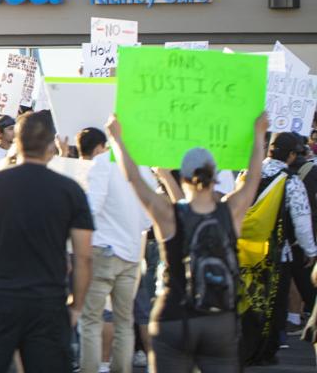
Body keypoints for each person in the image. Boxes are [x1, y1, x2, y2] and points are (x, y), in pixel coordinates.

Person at [108, 113, 267, 372]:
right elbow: (253, 177)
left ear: (181, 177)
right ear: (215, 176)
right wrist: (259, 135)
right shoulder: (231, 211)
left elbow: (134, 179)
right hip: (220, 319)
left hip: (173, 317)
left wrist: (117, 139)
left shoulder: (168, 215)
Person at [0, 111, 93, 372]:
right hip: (47, 303)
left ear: (17, 141)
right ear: (51, 145)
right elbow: (84, 256)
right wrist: (77, 305)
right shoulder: (70, 190)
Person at [75, 127, 149, 373]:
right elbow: (148, 218)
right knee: (124, 321)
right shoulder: (142, 167)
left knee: (91, 321)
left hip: (104, 251)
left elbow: (91, 209)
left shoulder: (102, 164)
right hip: (131, 253)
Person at [240, 131, 317, 365]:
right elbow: (302, 220)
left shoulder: (247, 173)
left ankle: (242, 346)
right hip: (275, 254)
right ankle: (263, 351)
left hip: (244, 251)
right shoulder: (290, 181)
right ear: (292, 154)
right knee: (273, 304)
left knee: (245, 299)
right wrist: (311, 252)